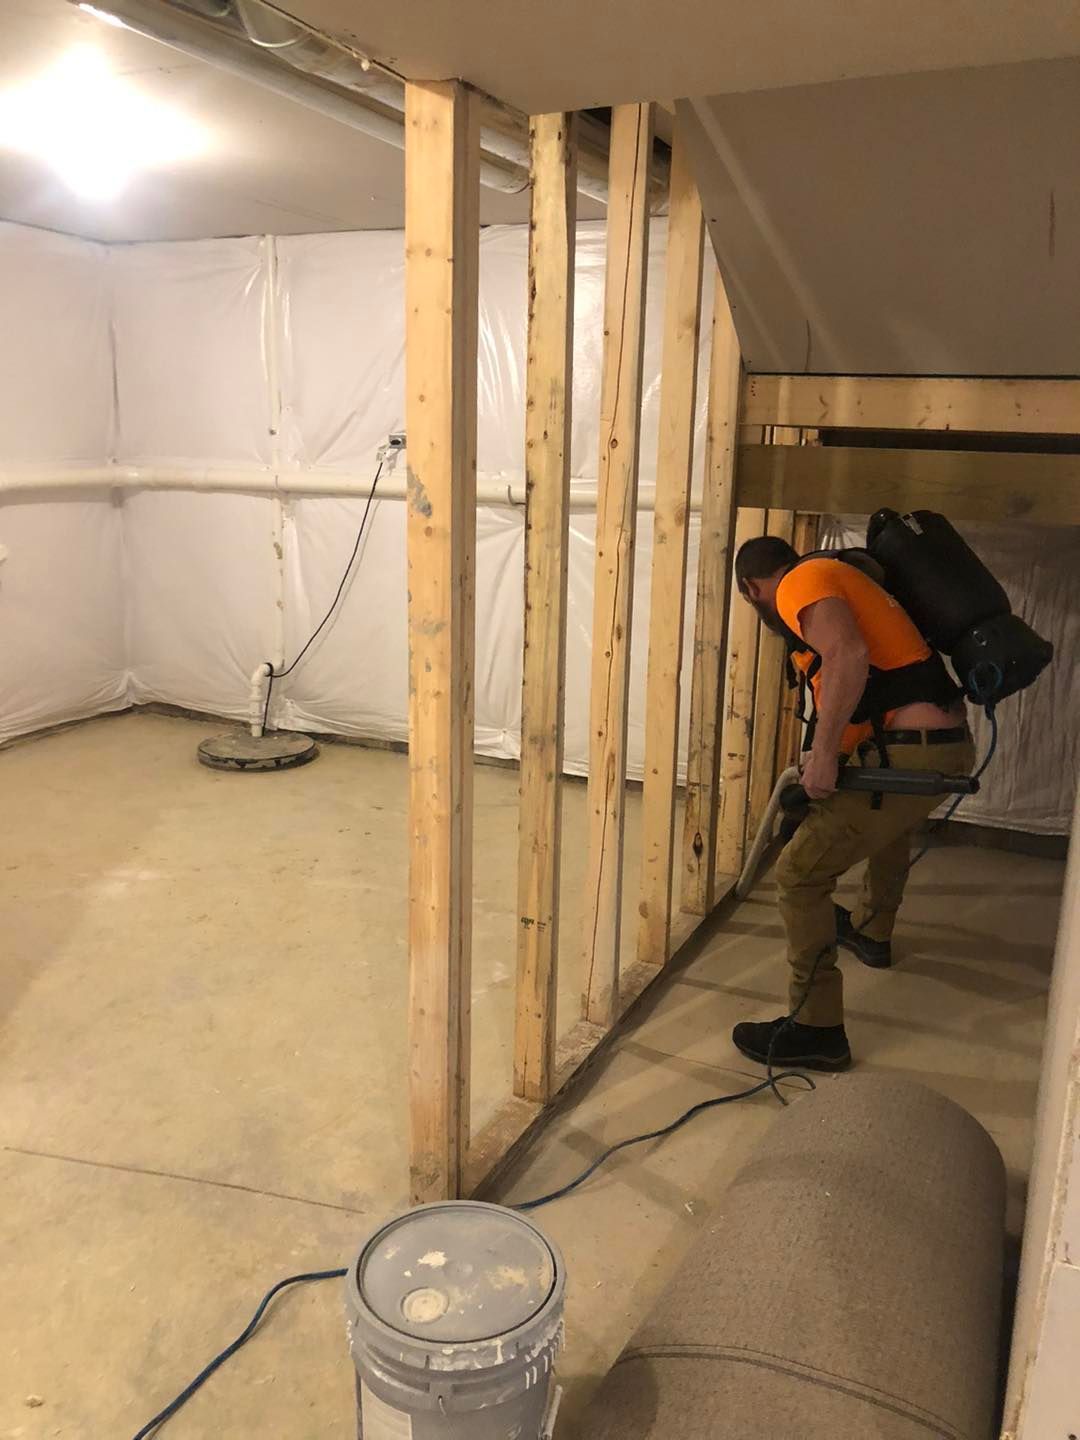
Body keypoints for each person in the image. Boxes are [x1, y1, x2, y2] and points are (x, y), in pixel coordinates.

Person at [730, 535, 975, 1071]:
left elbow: (848, 656)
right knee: (885, 822)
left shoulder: (800, 583)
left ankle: (816, 1029)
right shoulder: (842, 580)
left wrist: (821, 760)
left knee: (798, 875)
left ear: (753, 588)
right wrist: (827, 756)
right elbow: (864, 693)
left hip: (914, 753)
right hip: (939, 746)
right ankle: (871, 931)